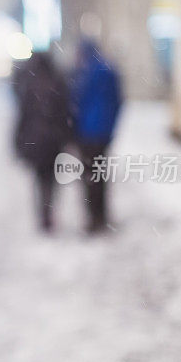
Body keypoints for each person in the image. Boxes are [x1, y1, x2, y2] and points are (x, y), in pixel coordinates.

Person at [12, 52, 71, 232]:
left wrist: (18, 140)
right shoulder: (58, 82)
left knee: (39, 179)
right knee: (51, 179)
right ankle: (48, 212)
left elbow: (23, 115)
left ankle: (43, 214)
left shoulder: (29, 85)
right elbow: (65, 112)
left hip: (35, 140)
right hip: (53, 141)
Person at [70, 39, 123, 233]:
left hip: (86, 134)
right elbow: (118, 101)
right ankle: (101, 215)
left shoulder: (83, 74)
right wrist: (110, 128)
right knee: (100, 176)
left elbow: (75, 103)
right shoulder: (107, 70)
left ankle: (93, 217)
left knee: (90, 177)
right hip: (101, 134)